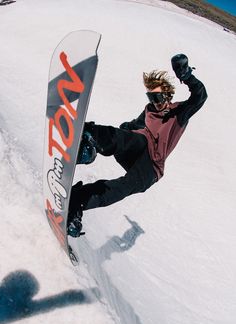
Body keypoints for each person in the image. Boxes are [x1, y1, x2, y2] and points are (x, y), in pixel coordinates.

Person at [67, 54, 208, 237]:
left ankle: (77, 201)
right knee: (131, 137)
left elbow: (200, 96)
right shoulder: (149, 110)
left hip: (151, 168)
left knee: (122, 188)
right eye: (151, 98)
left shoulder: (179, 113)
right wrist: (125, 129)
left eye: (158, 97)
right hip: (137, 149)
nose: (155, 103)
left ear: (167, 94)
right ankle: (86, 140)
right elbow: (134, 126)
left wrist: (186, 75)